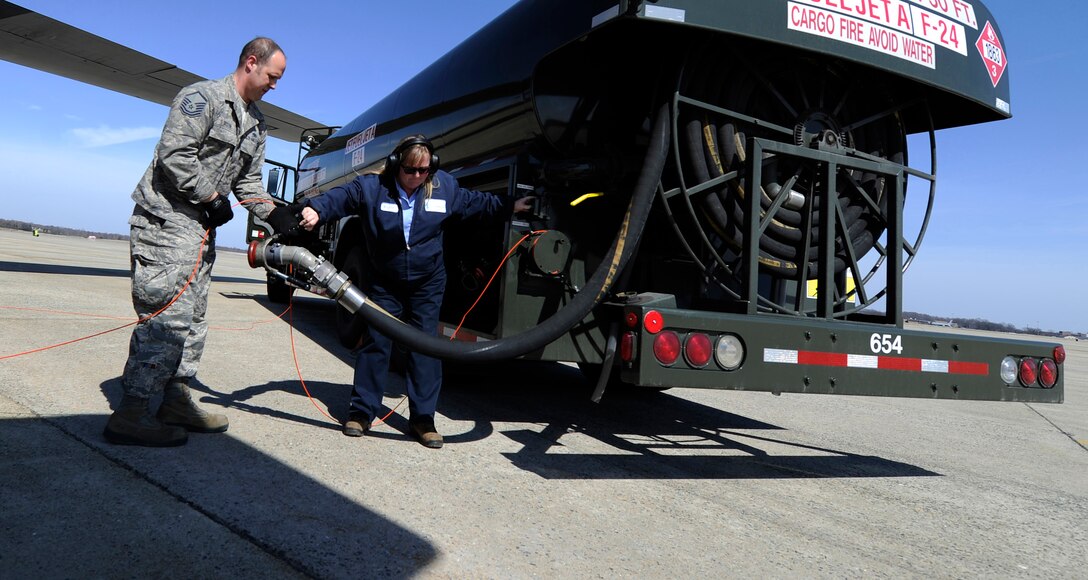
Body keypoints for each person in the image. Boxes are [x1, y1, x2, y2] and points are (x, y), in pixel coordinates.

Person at [104, 38, 303, 447]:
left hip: (198, 231)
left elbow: (247, 182)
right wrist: (211, 197)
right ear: (251, 63)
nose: (274, 86)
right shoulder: (202, 97)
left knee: (193, 321)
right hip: (166, 221)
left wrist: (276, 213)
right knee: (166, 318)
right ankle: (133, 411)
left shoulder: (257, 123)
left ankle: (175, 400)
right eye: (272, 77)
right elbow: (174, 153)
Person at [297, 135, 533, 448]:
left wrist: (511, 205)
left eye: (424, 171)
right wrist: (316, 210)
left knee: (425, 347)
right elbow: (340, 198)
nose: (417, 177)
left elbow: (477, 203)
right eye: (411, 171)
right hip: (385, 280)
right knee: (375, 342)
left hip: (427, 283)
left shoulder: (444, 187)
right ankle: (362, 411)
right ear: (396, 165)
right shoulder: (372, 187)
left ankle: (423, 419)